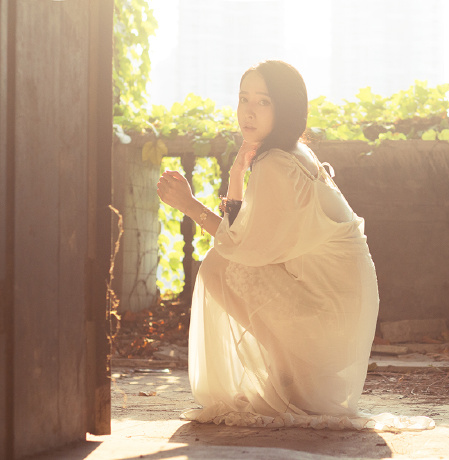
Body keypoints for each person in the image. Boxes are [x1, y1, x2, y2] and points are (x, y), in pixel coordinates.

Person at [157, 60, 433, 431]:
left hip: (330, 320)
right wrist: (237, 173)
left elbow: (237, 245)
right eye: (243, 99)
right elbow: (245, 233)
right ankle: (287, 373)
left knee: (219, 265)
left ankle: (288, 376)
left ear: (285, 108)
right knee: (226, 261)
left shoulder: (277, 164)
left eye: (264, 102)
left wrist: (189, 206)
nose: (248, 111)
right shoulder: (291, 154)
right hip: (343, 317)